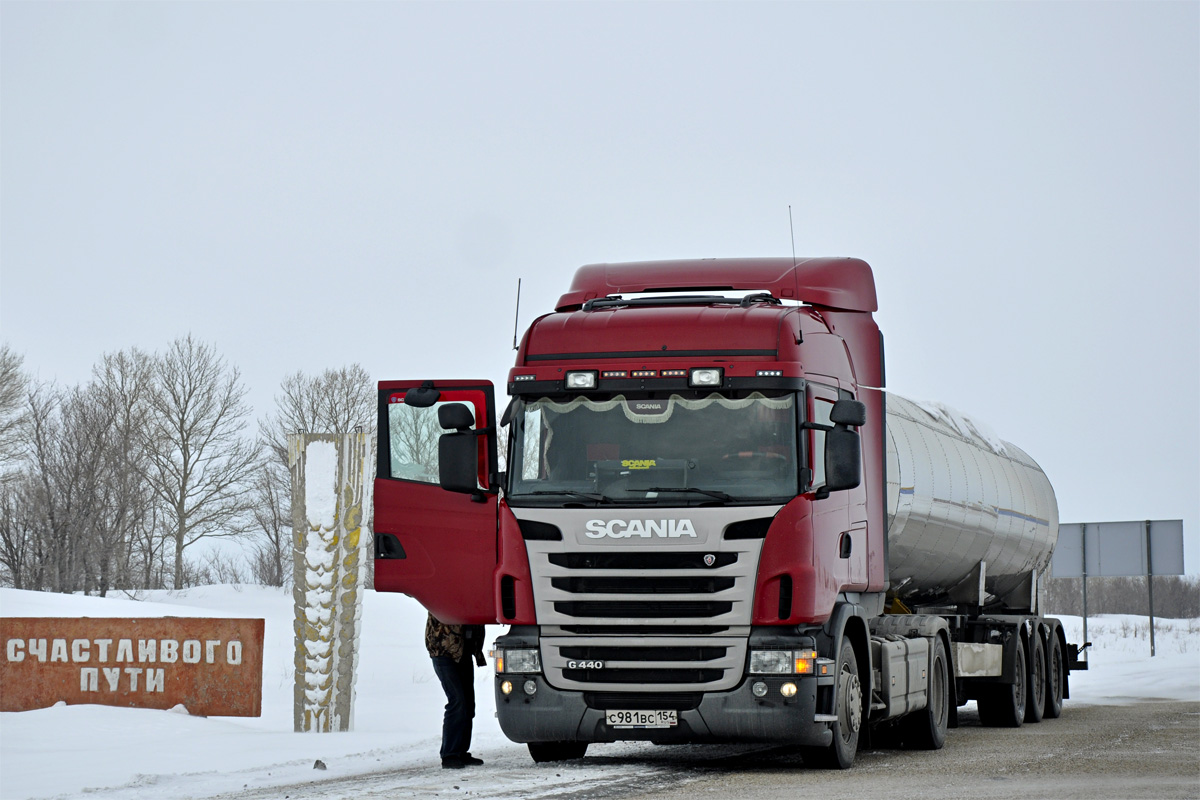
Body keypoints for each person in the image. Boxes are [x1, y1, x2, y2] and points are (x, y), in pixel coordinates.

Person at [425, 612, 486, 769]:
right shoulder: (440, 591)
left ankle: (460, 752)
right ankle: (449, 754)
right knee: (457, 701)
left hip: (463, 649)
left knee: (467, 704)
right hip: (443, 651)